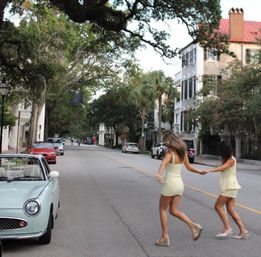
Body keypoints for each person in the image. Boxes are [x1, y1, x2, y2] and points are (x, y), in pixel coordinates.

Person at [155, 131, 206, 247]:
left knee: (162, 209)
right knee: (173, 210)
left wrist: (159, 174)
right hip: (179, 185)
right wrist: (199, 172)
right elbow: (189, 167)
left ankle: (165, 237)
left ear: (169, 142)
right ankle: (193, 225)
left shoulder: (169, 154)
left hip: (170, 184)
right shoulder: (183, 154)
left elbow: (162, 165)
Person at [206, 141, 249, 239]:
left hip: (230, 187)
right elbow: (222, 166)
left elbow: (222, 168)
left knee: (218, 206)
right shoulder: (226, 159)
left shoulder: (231, 160)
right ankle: (243, 230)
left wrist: (209, 170)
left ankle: (227, 228)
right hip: (230, 187)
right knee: (230, 209)